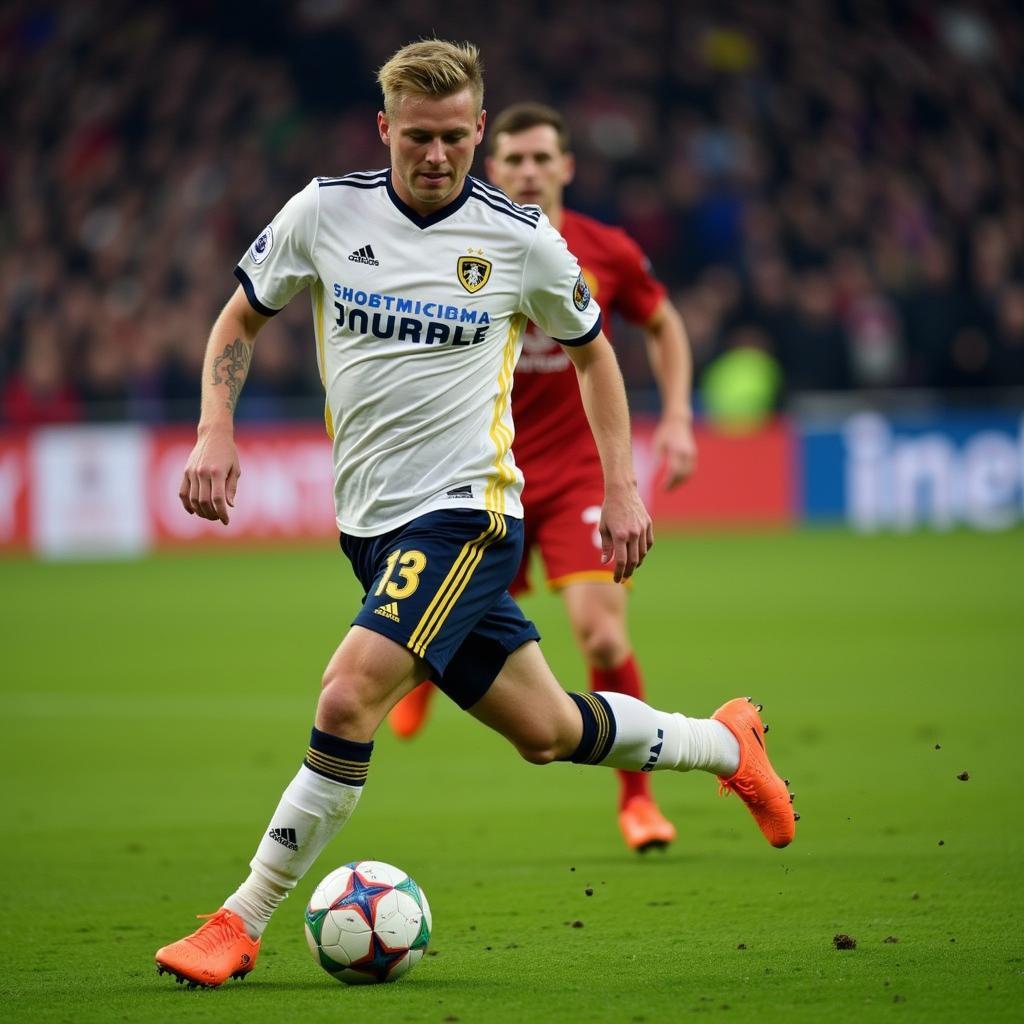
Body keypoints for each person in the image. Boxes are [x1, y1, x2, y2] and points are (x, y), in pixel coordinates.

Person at [155, 39, 796, 990]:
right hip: (370, 529)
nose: (437, 156)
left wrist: (622, 486)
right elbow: (242, 315)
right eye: (417, 136)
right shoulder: (326, 211)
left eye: (456, 137)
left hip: (468, 515)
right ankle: (723, 740)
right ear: (385, 129)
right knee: (545, 731)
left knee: (346, 696)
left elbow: (596, 353)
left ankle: (239, 920)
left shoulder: (519, 239)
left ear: (481, 132)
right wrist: (215, 431)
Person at [389, 102, 698, 853]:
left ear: (566, 167)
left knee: (599, 628)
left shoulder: (607, 251)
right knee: (448, 611)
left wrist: (681, 417)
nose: (528, 172)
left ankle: (637, 802)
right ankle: (427, 670)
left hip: (575, 475)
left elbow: (663, 323)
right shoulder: (458, 242)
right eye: (515, 161)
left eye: (541, 159)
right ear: (492, 169)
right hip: (480, 471)